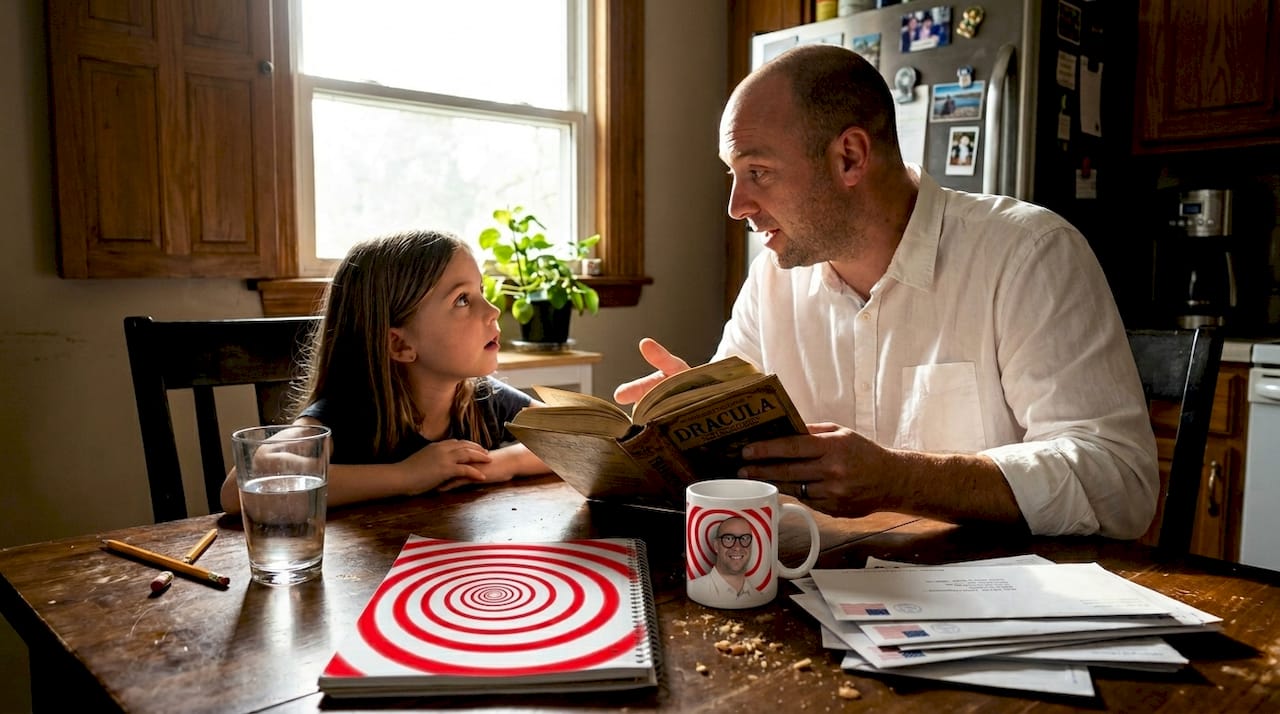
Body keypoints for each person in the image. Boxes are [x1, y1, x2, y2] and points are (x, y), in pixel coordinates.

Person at [615, 44, 1157, 540]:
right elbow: (745, 465)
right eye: (733, 175)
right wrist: (689, 423)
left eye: (758, 171)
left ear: (850, 157)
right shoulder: (771, 280)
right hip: (823, 587)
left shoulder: (1028, 254)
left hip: (1002, 594)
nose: (737, 206)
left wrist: (900, 478)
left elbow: (1119, 480)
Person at [219, 230, 550, 514]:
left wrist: (500, 465)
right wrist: (406, 476)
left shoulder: (482, 397)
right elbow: (240, 486)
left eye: (482, 292)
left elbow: (577, 438)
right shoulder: (349, 414)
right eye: (462, 299)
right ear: (399, 344)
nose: (493, 311)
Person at [686, 517, 755, 603]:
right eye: (729, 538)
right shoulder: (692, 592)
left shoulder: (759, 597)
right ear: (716, 546)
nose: (737, 547)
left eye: (744, 538)